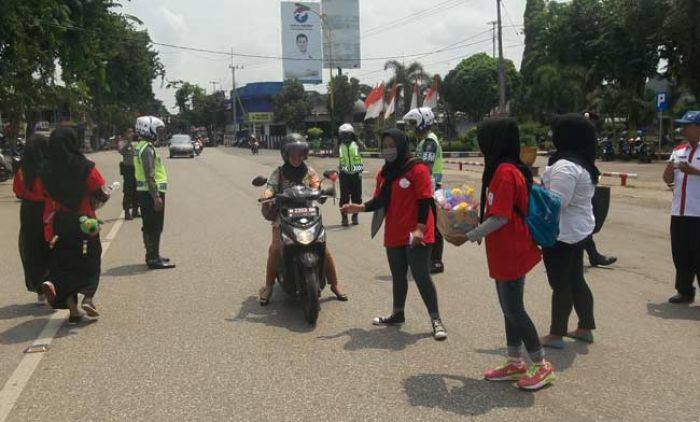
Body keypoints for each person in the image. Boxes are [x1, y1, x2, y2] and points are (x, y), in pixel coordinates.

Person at [461, 118, 554, 390]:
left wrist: (469, 235)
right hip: (502, 249)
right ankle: (515, 362)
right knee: (508, 308)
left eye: (483, 138)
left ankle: (541, 363)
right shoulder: (501, 169)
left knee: (514, 308)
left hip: (512, 248)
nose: (480, 144)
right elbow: (494, 210)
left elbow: (500, 217)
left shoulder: (504, 172)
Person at [341, 128, 446, 341]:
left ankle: (436, 320)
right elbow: (380, 200)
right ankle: (398, 314)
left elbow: (425, 200)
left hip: (417, 232)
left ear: (401, 144)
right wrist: (358, 208)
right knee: (398, 276)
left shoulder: (417, 169)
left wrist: (420, 229)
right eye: (385, 146)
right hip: (394, 232)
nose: (389, 150)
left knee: (421, 275)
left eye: (392, 145)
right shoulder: (385, 172)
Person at [258, 133, 347, 305]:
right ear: (285, 154)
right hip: (284, 216)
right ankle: (268, 286)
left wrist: (322, 191)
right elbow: (270, 187)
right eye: (292, 154)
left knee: (324, 249)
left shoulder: (310, 171)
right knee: (275, 249)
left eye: (300, 154)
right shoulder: (279, 173)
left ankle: (334, 284)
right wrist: (266, 195)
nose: (296, 157)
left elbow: (316, 185)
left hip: (308, 213)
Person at [39, 127, 109, 324]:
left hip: (61, 222)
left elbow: (44, 195)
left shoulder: (45, 168)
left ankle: (73, 311)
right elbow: (99, 189)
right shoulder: (84, 166)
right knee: (91, 258)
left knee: (66, 262)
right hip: (85, 221)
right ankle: (88, 297)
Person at [540, 114, 598, 349]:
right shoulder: (580, 161)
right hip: (577, 229)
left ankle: (556, 334)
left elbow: (557, 202)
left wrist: (534, 193)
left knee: (560, 283)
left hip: (561, 233)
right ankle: (585, 326)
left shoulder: (565, 166)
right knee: (575, 279)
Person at [663, 110, 700, 304]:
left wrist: (693, 171)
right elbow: (667, 179)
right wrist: (670, 167)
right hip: (679, 212)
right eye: (683, 125)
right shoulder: (679, 150)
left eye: (688, 125)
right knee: (681, 253)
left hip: (698, 213)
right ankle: (684, 291)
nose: (684, 129)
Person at [403, 107, 445, 274]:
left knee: (434, 226)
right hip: (427, 187)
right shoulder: (424, 140)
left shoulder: (429, 142)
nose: (412, 127)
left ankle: (436, 261)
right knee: (429, 224)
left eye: (414, 123)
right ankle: (429, 259)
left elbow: (425, 167)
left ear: (423, 121)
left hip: (431, 188)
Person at [134, 116, 175, 270]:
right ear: (148, 129)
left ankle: (153, 255)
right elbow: (149, 175)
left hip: (145, 193)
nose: (159, 133)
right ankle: (153, 258)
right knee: (154, 226)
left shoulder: (141, 146)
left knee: (150, 225)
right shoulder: (147, 149)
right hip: (150, 193)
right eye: (157, 130)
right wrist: (156, 196)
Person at [13, 134, 50, 304]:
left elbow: (18, 191)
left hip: (28, 211)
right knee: (49, 245)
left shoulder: (22, 170)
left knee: (31, 247)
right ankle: (51, 284)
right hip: (47, 209)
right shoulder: (48, 168)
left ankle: (39, 291)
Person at [337, 123, 364, 227]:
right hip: (344, 174)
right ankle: (344, 217)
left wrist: (357, 140)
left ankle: (355, 216)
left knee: (357, 197)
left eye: (348, 135)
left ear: (352, 134)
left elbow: (364, 148)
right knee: (344, 198)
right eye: (343, 135)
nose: (345, 137)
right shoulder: (339, 145)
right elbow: (335, 153)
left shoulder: (356, 144)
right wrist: (338, 142)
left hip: (356, 173)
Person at [118, 128, 139, 220]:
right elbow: (121, 151)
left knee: (136, 190)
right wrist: (128, 142)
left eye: (132, 132)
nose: (131, 134)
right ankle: (127, 212)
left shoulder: (136, 143)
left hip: (136, 169)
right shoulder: (122, 142)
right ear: (125, 134)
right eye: (129, 132)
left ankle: (135, 210)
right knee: (128, 190)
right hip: (128, 169)